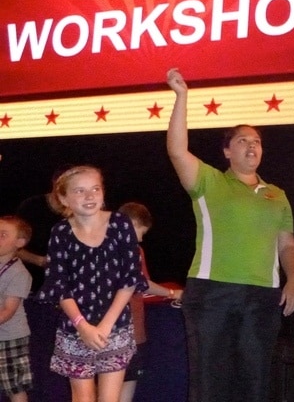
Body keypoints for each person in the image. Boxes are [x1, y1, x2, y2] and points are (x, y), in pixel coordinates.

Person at [166, 68, 294, 402]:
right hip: (213, 292)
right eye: (243, 140)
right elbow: (177, 151)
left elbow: (287, 243)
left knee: (255, 380)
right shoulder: (209, 182)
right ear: (227, 151)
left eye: (256, 141)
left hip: (263, 297)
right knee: (210, 380)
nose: (251, 145)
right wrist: (182, 97)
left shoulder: (277, 194)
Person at [36, 165, 148, 402]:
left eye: (95, 189)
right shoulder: (60, 233)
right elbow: (59, 285)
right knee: (83, 398)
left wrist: (106, 325)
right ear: (63, 198)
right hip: (75, 328)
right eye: (79, 191)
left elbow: (130, 278)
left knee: (109, 399)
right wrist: (82, 326)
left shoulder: (120, 224)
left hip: (114, 327)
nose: (89, 196)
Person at [116, 201, 183, 402]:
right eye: (141, 231)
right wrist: (172, 292)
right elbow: (141, 283)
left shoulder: (100, 247)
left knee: (120, 383)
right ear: (131, 223)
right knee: (124, 384)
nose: (142, 238)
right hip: (127, 332)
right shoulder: (133, 250)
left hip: (120, 331)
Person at [15, 184, 68, 402]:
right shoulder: (32, 207)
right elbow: (15, 245)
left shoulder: (78, 212)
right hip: (33, 295)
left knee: (60, 361)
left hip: (64, 299)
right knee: (34, 357)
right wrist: (40, 261)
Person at [0, 215, 34, 402]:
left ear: (20, 242)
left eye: (3, 234)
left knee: (14, 386)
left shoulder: (19, 273)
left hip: (10, 338)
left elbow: (8, 311)